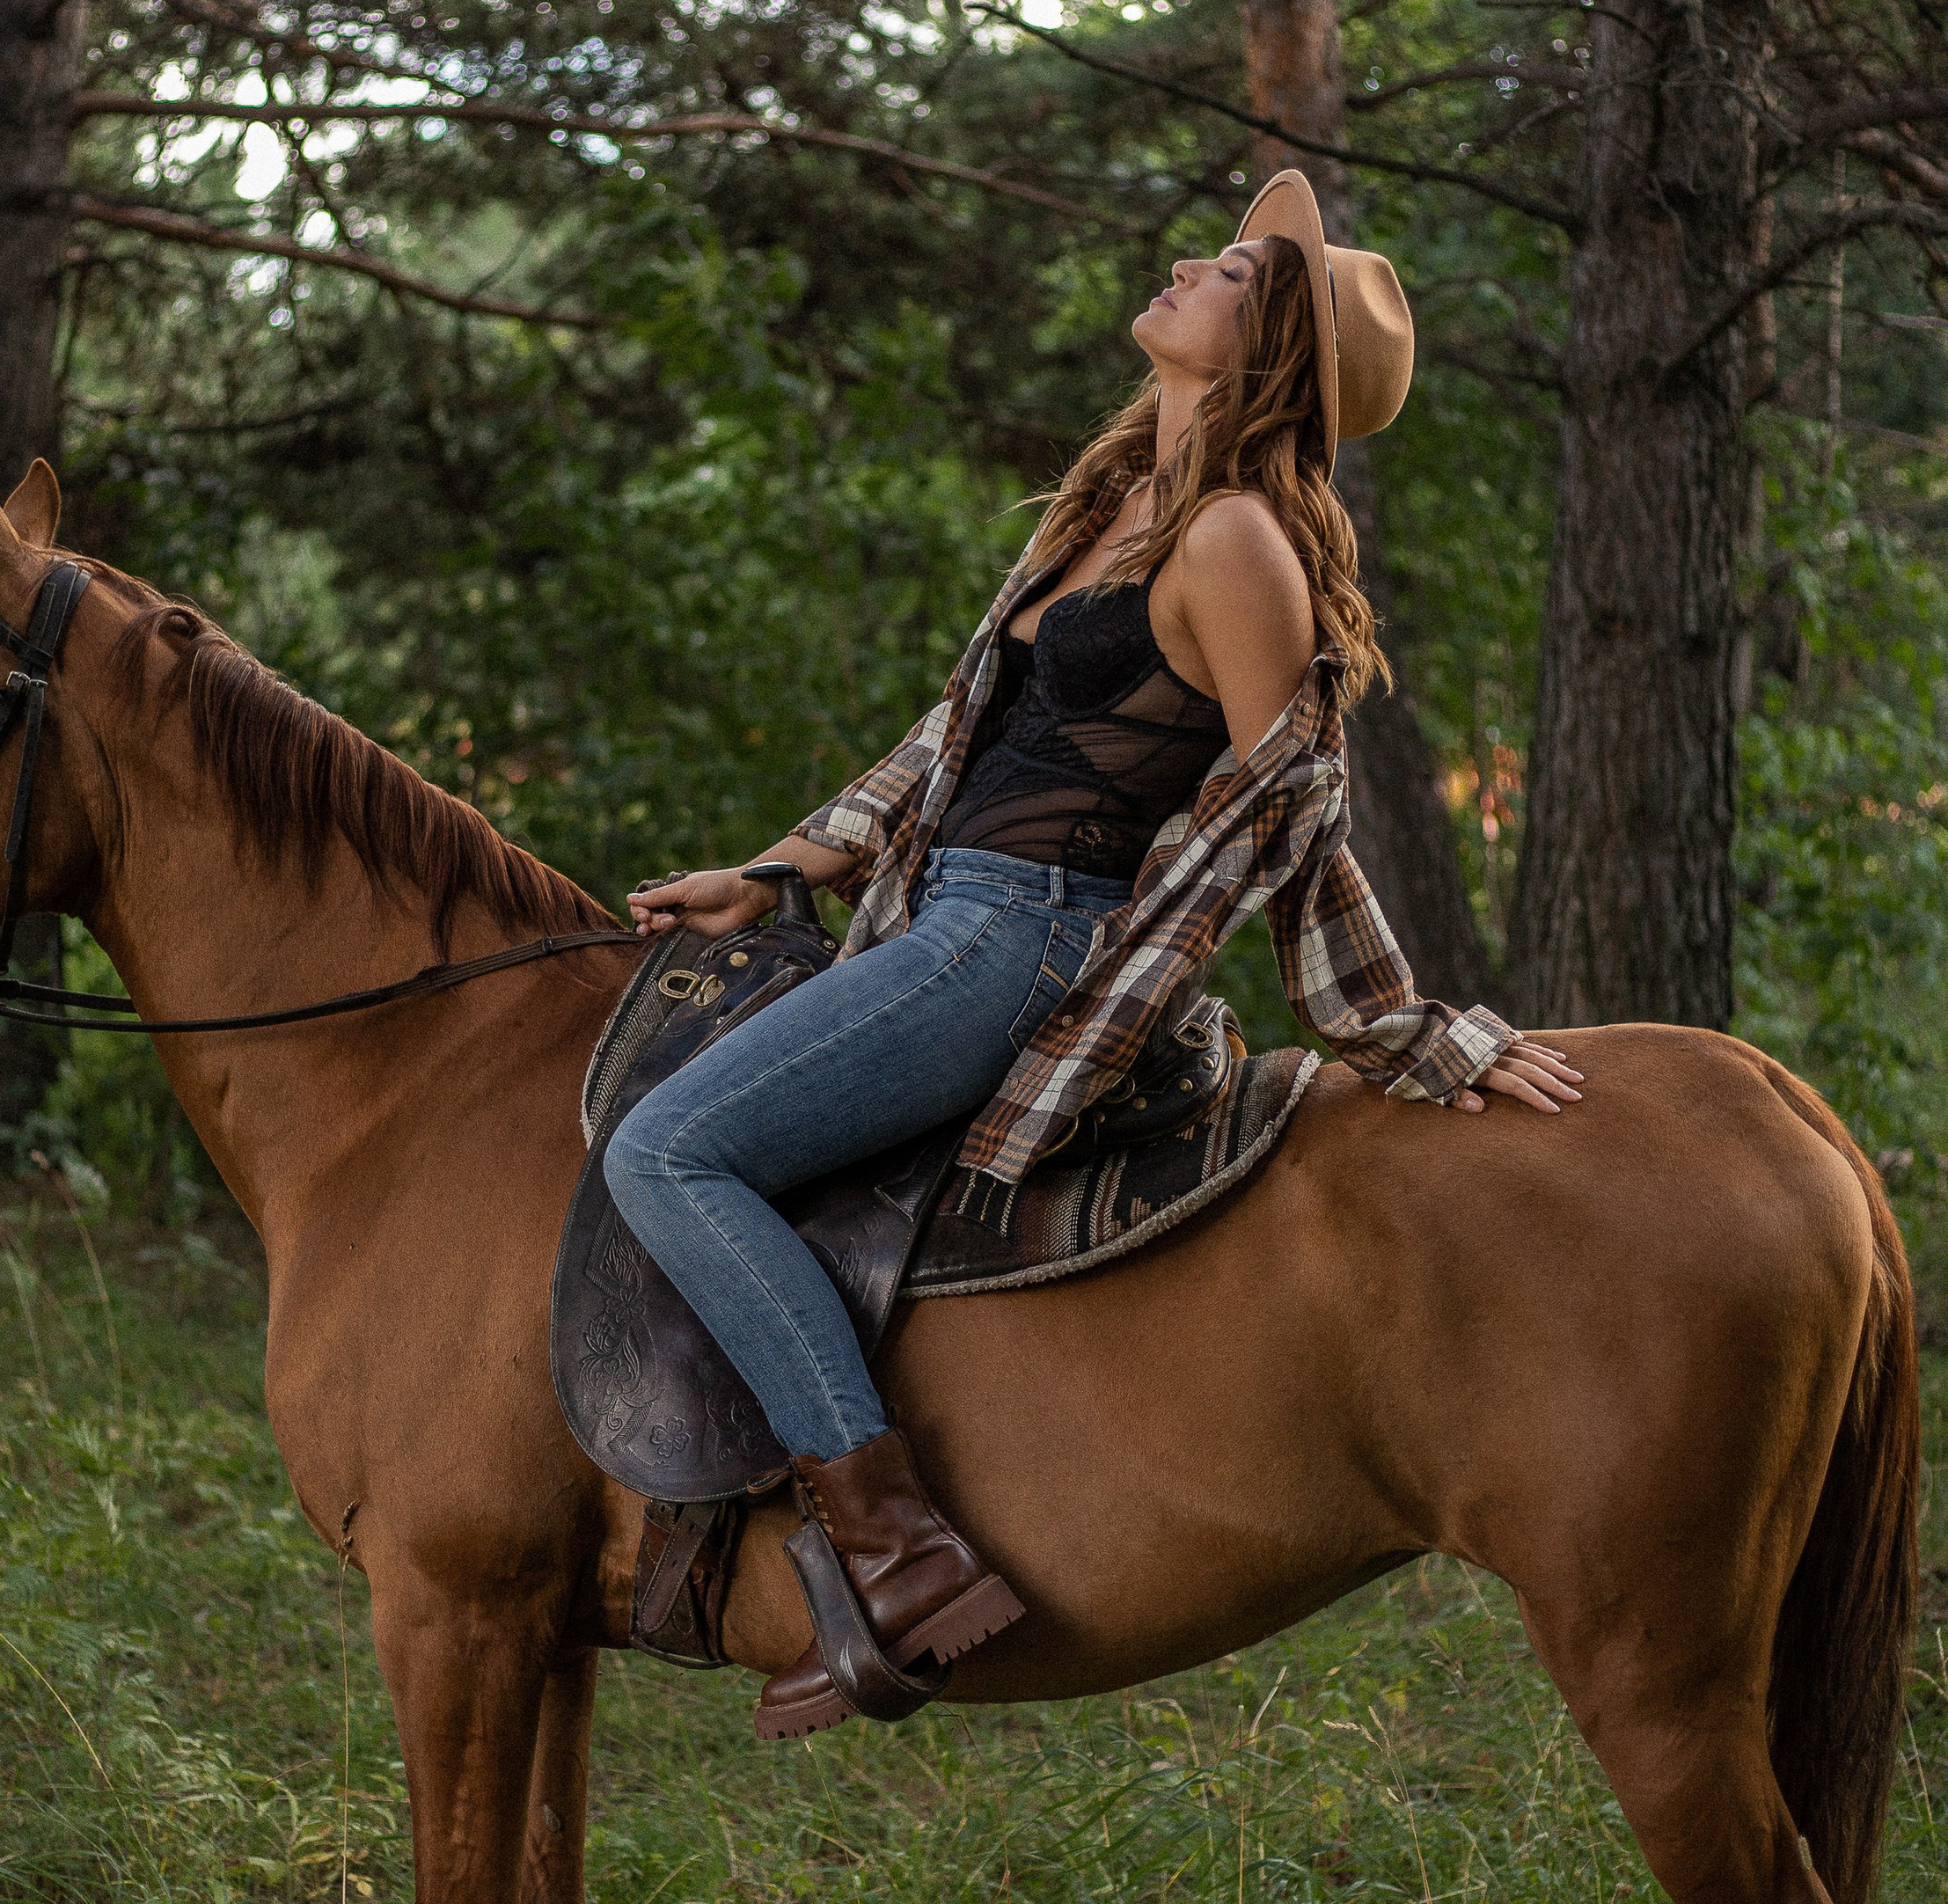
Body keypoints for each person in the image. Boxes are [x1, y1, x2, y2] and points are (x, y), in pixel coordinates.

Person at [606, 171, 1580, 1741]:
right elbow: (965, 732)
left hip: (1023, 940)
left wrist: (1402, 1027)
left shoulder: (1240, 546)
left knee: (672, 1153)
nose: (1191, 260)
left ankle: (894, 1546)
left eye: (1239, 271)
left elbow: (1293, 800)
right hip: (946, 909)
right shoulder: (1123, 499)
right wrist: (783, 866)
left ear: (1264, 354)